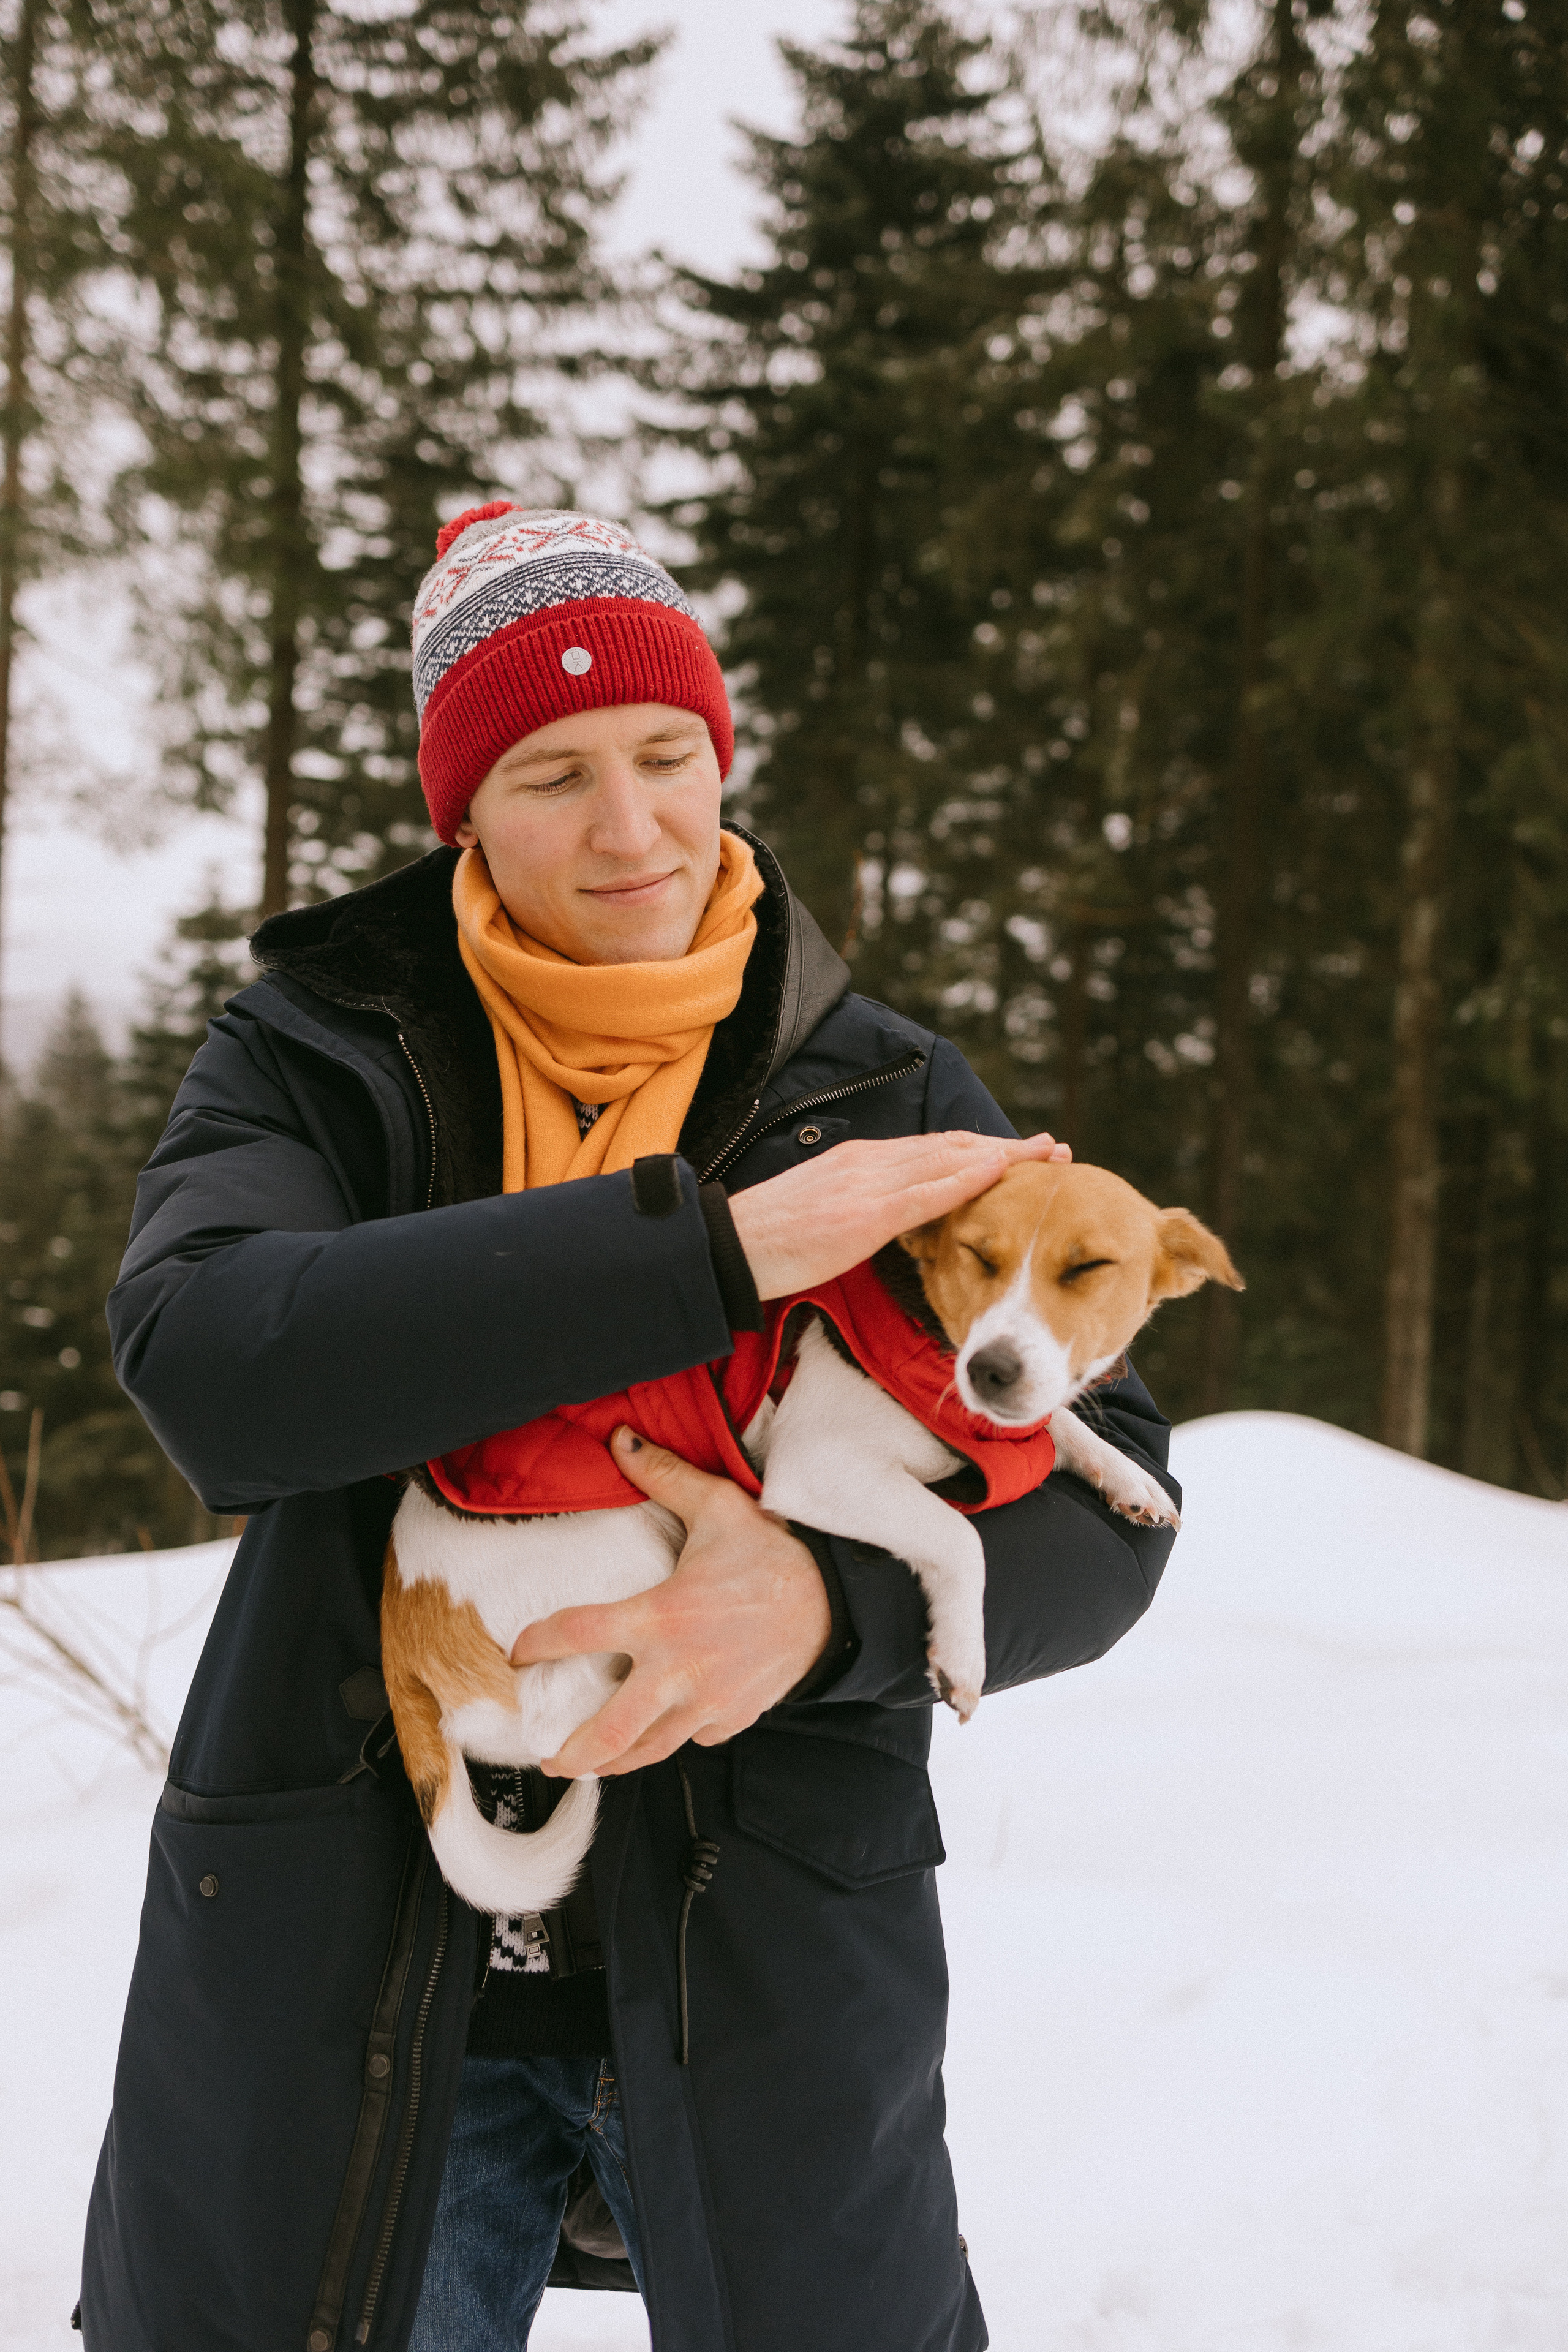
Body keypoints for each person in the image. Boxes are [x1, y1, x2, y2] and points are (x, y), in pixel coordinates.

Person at [78, 507, 1179, 2352]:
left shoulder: (880, 1086)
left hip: (765, 1979)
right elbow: (212, 1363)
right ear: (463, 810)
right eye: (552, 773)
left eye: (670, 758)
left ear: (722, 758)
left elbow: (1114, 1513)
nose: (633, 826)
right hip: (354, 1971)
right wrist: (717, 1255)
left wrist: (830, 1612)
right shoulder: (320, 1056)